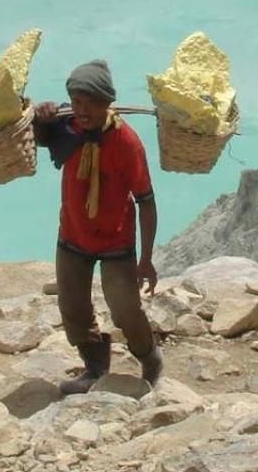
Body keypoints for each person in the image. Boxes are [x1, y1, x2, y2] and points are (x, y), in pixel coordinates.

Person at [33, 59, 163, 393]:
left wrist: (145, 258)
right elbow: (39, 134)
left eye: (91, 103)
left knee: (125, 310)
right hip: (73, 233)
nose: (82, 110)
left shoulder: (126, 143)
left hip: (115, 238)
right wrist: (42, 117)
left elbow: (146, 201)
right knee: (73, 307)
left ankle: (149, 358)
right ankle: (94, 367)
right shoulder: (67, 127)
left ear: (107, 104)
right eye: (76, 103)